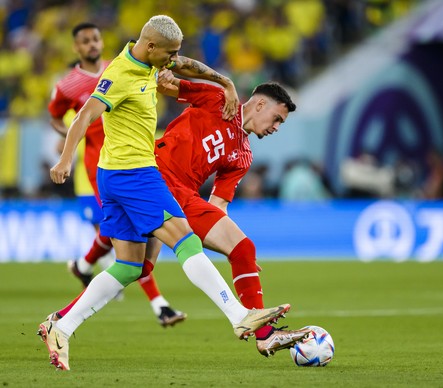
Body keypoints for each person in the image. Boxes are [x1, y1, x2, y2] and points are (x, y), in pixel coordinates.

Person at [39, 15, 290, 371]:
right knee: (186, 242)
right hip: (136, 173)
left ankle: (60, 325)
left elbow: (187, 65)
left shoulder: (150, 66)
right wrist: (65, 160)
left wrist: (225, 80)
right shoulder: (120, 74)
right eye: (169, 53)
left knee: (130, 267)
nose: (174, 61)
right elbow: (82, 117)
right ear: (151, 46)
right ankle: (239, 316)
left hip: (116, 173)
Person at [153, 73, 309, 357]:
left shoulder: (243, 155)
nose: (276, 128)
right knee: (129, 263)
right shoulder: (220, 100)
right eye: (277, 119)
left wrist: (234, 252)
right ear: (259, 105)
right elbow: (165, 85)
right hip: (156, 177)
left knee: (129, 268)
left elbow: (218, 205)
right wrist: (164, 69)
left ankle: (61, 323)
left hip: (182, 193)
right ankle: (264, 333)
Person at [48, 22, 186, 328]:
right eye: (85, 41)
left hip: (131, 160)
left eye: (96, 38)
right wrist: (67, 141)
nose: (92, 45)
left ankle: (84, 266)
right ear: (76, 48)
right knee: (132, 232)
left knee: (122, 234)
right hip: (100, 164)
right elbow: (59, 115)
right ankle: (158, 304)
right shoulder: (68, 85)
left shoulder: (122, 67)